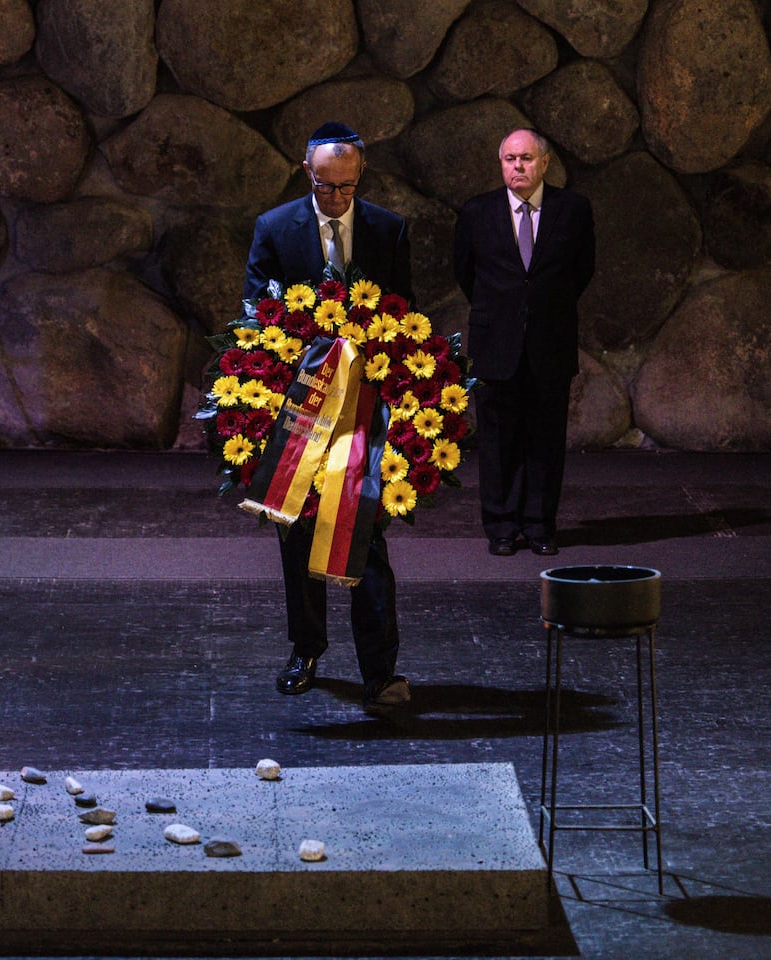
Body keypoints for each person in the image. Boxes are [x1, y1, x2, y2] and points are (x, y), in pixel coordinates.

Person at [243, 121, 414, 713]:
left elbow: (404, 314)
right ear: (306, 172)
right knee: (296, 534)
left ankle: (380, 669)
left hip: (364, 411)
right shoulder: (273, 229)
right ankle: (306, 648)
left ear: (360, 175)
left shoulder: (388, 231)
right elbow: (256, 318)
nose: (336, 197)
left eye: (346, 186)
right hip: (299, 407)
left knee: (364, 536)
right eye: (324, 185)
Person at [453, 128, 595, 557]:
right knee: (497, 442)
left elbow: (582, 271)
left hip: (550, 344)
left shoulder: (572, 210)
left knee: (546, 440)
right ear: (501, 164)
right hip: (496, 345)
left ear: (545, 163)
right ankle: (500, 526)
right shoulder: (477, 212)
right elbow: (466, 273)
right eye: (510, 159)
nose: (518, 166)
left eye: (527, 158)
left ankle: (539, 526)